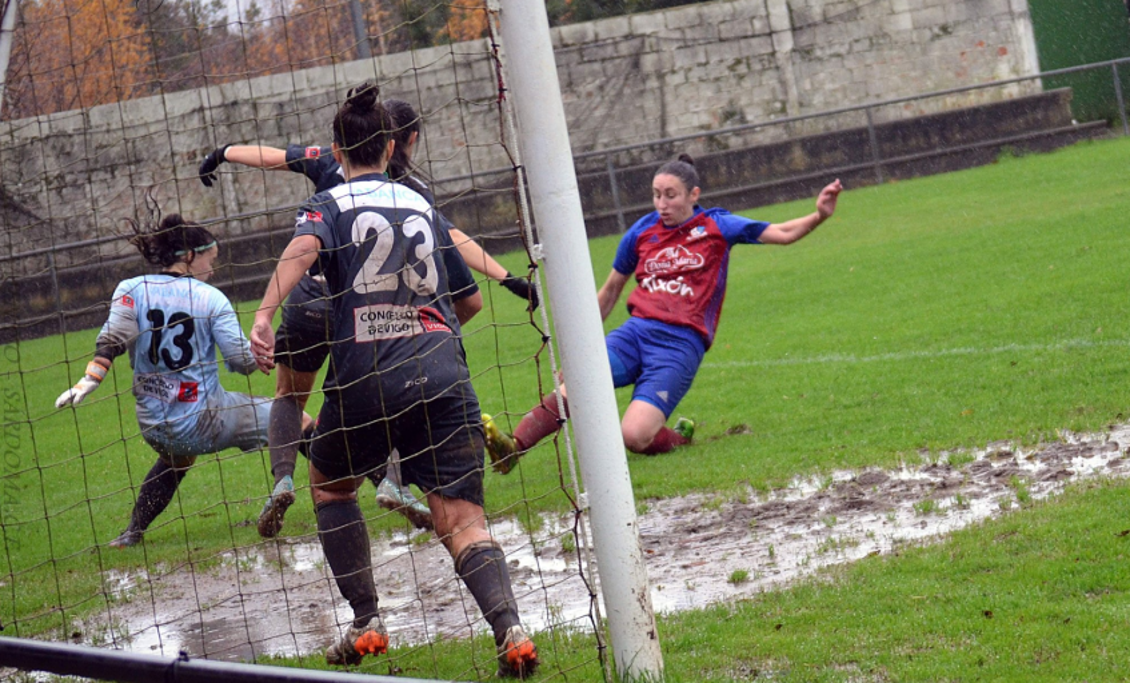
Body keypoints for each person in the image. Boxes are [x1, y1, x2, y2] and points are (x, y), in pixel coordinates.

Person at [249, 82, 538, 677]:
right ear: (388, 147)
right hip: (443, 376)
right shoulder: (422, 205)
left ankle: (367, 620)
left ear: (337, 148)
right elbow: (469, 303)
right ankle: (511, 629)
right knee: (463, 522)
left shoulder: (330, 204)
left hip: (365, 379)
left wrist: (262, 313)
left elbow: (303, 246)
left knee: (330, 485)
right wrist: (422, 327)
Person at [198, 101, 505, 537]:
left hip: (309, 298)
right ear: (400, 141)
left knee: (288, 396)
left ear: (340, 146)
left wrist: (225, 151)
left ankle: (283, 478)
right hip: (366, 310)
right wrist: (506, 276)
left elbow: (274, 156)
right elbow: (453, 240)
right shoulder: (411, 190)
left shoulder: (324, 160)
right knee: (397, 385)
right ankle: (394, 483)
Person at [483, 154, 843, 472]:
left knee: (634, 436)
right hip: (635, 333)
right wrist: (579, 349)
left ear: (693, 195)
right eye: (657, 195)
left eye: (671, 195)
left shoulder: (717, 226)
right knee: (575, 382)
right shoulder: (641, 232)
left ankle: (679, 438)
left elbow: (780, 232)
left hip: (679, 345)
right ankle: (513, 448)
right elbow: (609, 292)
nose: (662, 203)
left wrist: (819, 216)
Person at [54, 214, 291, 548]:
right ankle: (343, 482)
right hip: (207, 419)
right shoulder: (210, 298)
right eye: (212, 259)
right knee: (292, 417)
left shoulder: (131, 289)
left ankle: (132, 533)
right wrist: (272, 349)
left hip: (154, 426)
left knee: (176, 459)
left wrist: (89, 379)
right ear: (191, 256)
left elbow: (113, 338)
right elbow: (240, 361)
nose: (213, 269)